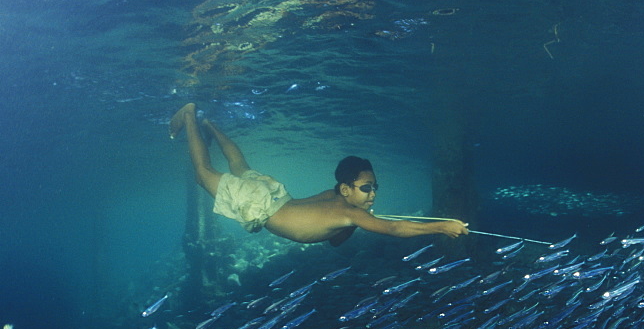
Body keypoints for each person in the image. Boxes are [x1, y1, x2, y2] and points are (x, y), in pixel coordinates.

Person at [169, 103, 469, 247]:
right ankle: (189, 115)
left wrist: (356, 220)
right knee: (203, 173)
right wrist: (441, 227)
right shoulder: (350, 212)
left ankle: (208, 123)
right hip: (263, 204)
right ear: (346, 188)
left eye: (374, 187)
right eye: (366, 188)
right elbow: (393, 229)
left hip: (275, 195)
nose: (373, 193)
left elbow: (333, 241)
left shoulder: (337, 200)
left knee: (240, 166)